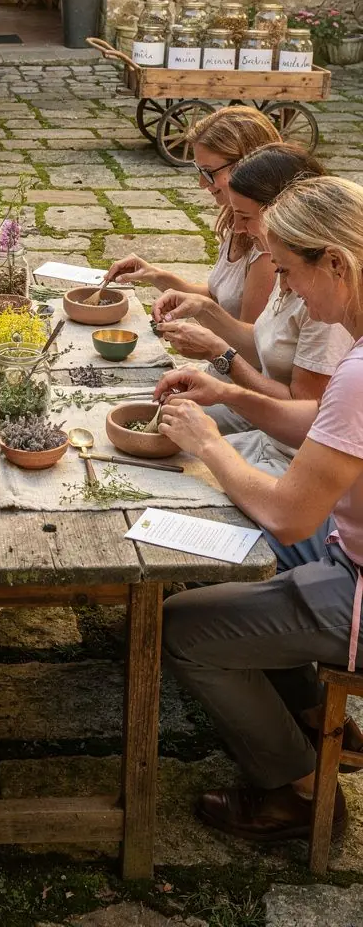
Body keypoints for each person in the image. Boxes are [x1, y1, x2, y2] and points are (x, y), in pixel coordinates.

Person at [160, 175, 363, 846]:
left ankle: (300, 794)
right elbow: (321, 420)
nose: (288, 292)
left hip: (356, 586)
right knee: (248, 573)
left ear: (335, 263)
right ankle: (314, 719)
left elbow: (290, 516)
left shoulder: (359, 371)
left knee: (182, 626)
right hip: (348, 559)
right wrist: (230, 390)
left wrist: (209, 442)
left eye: (289, 272)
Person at [151, 144, 352, 476]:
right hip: (269, 440)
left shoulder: (322, 301)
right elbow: (263, 340)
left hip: (288, 457)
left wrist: (223, 361)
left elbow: (305, 419)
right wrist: (205, 310)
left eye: (244, 217)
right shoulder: (290, 265)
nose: (238, 229)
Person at [105, 106, 279, 321]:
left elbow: (252, 345)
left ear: (249, 165)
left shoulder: (266, 246)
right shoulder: (235, 219)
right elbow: (221, 298)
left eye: (209, 172)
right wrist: (154, 275)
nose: (202, 183)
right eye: (199, 171)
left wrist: (205, 340)